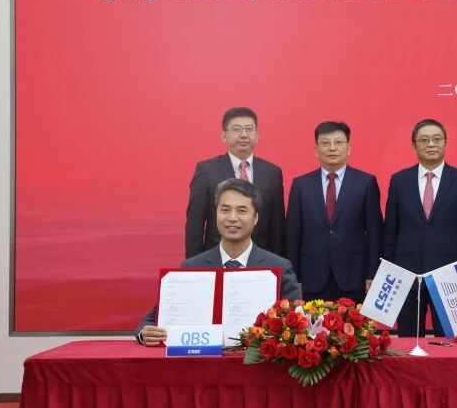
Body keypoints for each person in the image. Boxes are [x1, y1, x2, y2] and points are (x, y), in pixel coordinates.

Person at [139, 178, 301, 346]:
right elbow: (153, 318)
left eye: (242, 211)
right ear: (215, 214)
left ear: (255, 218)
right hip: (204, 359)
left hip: (256, 360)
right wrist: (145, 333)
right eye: (225, 210)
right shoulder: (193, 267)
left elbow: (295, 322)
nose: (232, 218)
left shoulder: (279, 268)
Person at [382, 119, 457, 336]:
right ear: (414, 145)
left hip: (448, 275)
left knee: (448, 340)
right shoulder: (399, 180)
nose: (431, 144)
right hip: (406, 273)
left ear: (445, 143)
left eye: (437, 139)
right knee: (408, 339)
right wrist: (389, 268)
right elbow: (391, 230)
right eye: (424, 140)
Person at [285, 121, 382, 301]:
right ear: (316, 149)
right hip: (312, 276)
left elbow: (375, 233)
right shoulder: (301, 185)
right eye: (325, 143)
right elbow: (292, 235)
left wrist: (372, 274)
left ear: (348, 147)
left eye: (338, 142)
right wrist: (295, 278)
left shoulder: (366, 182)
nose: (332, 148)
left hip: (354, 275)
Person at [185, 106, 286, 258]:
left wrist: (278, 262)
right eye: (237, 129)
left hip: (260, 258)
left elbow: (277, 225)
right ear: (223, 135)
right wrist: (195, 265)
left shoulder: (272, 172)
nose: (244, 135)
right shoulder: (206, 170)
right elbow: (195, 223)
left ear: (257, 135)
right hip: (217, 257)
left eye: (249, 129)